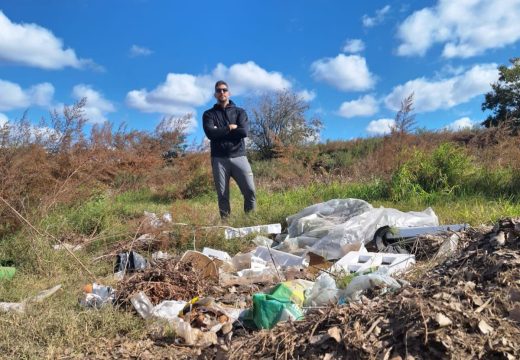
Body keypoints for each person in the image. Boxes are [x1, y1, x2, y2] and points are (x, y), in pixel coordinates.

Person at [202, 80, 256, 219]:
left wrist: (219, 131)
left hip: (239, 156)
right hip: (219, 159)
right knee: (223, 195)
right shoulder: (209, 114)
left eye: (224, 90)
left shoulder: (240, 112)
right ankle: (226, 225)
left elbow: (243, 132)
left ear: (229, 92)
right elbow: (210, 134)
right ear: (215, 94)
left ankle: (250, 220)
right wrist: (229, 127)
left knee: (250, 190)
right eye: (219, 90)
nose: (222, 92)